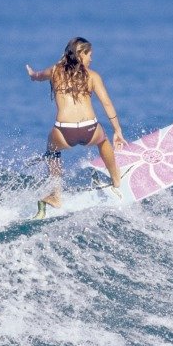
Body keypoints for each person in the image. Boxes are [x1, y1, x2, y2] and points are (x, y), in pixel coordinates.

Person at [26, 37, 126, 218]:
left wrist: (32, 75)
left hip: (64, 131)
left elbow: (38, 76)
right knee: (103, 140)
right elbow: (107, 104)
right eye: (89, 55)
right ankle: (116, 180)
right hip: (89, 129)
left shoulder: (55, 71)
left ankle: (56, 195)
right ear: (81, 54)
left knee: (52, 149)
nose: (91, 59)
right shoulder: (93, 76)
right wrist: (117, 131)